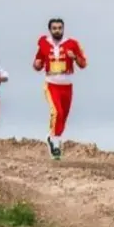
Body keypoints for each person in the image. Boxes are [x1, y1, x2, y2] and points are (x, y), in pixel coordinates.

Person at [32, 17, 88, 160]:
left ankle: (54, 139)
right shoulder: (44, 44)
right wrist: (37, 64)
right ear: (50, 30)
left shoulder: (72, 44)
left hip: (67, 85)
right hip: (51, 84)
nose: (57, 30)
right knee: (57, 112)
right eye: (54, 28)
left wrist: (74, 57)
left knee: (64, 116)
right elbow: (37, 63)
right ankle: (55, 144)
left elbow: (83, 64)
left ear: (63, 29)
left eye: (59, 28)